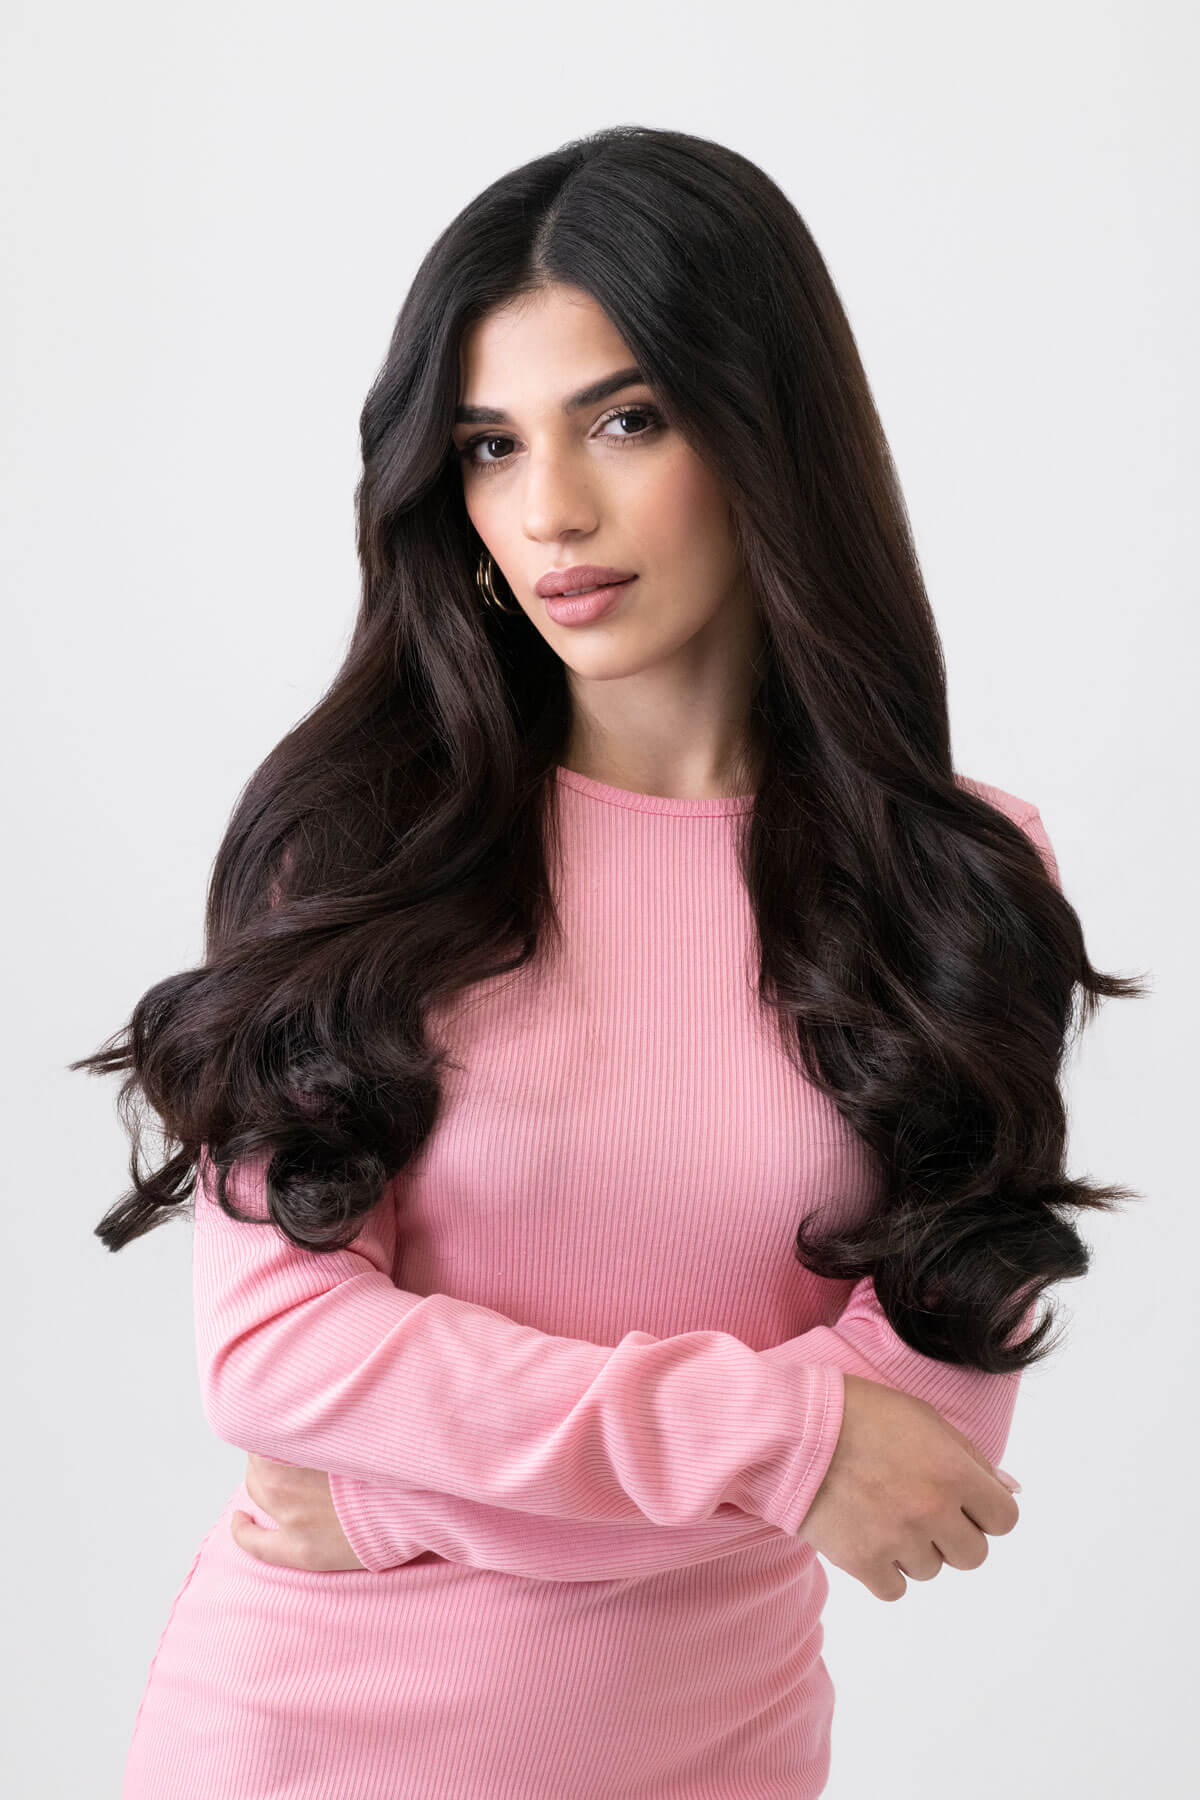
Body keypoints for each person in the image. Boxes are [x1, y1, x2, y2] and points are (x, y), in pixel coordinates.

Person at [79, 124, 1144, 1800]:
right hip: (302, 1744)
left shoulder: (956, 882)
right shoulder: (361, 851)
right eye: (490, 447)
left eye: (625, 421)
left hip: (714, 1753)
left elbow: (923, 1456)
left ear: (767, 432)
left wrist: (388, 1497)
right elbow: (276, 1353)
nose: (549, 511)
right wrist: (782, 1444)